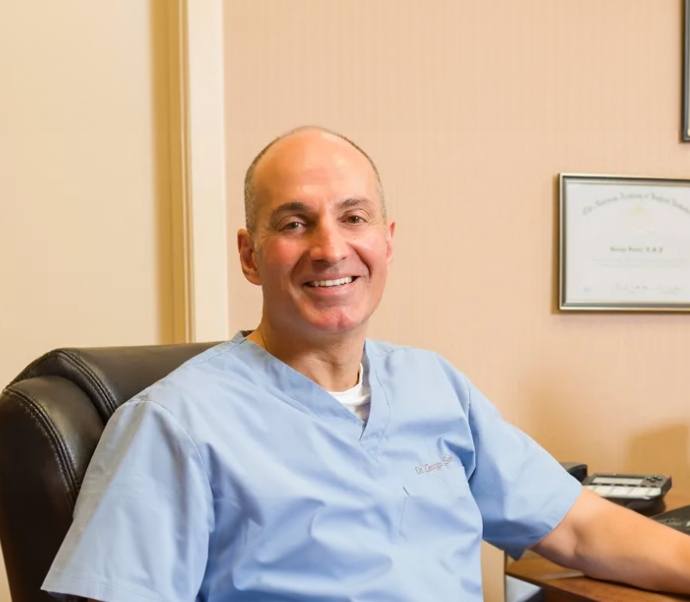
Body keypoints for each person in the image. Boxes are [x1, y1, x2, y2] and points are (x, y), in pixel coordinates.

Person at [43, 127, 690, 601]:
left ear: (387, 240)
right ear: (249, 255)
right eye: (295, 223)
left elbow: (578, 530)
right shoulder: (173, 425)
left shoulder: (432, 385)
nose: (331, 248)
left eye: (354, 217)